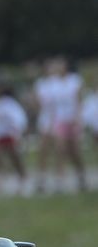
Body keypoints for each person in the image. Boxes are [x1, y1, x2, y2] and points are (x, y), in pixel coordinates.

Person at [33, 55, 87, 193]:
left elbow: (79, 100)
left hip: (72, 120)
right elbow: (51, 105)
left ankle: (81, 175)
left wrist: (78, 118)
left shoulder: (74, 80)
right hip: (59, 120)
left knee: (74, 151)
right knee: (60, 149)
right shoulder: (54, 84)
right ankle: (60, 179)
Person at [0, 81, 28, 194]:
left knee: (14, 156)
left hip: (9, 134)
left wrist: (16, 132)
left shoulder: (10, 103)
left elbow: (19, 118)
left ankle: (22, 176)